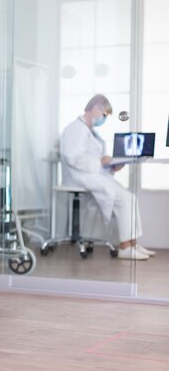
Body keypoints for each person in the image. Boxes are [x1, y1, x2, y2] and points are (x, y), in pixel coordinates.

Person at [59, 94, 155, 260]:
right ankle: (124, 247)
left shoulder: (91, 132)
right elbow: (72, 157)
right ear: (96, 109)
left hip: (93, 174)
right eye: (104, 115)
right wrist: (100, 162)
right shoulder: (75, 129)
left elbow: (95, 160)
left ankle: (133, 243)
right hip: (78, 176)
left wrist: (111, 166)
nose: (104, 119)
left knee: (131, 198)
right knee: (124, 199)